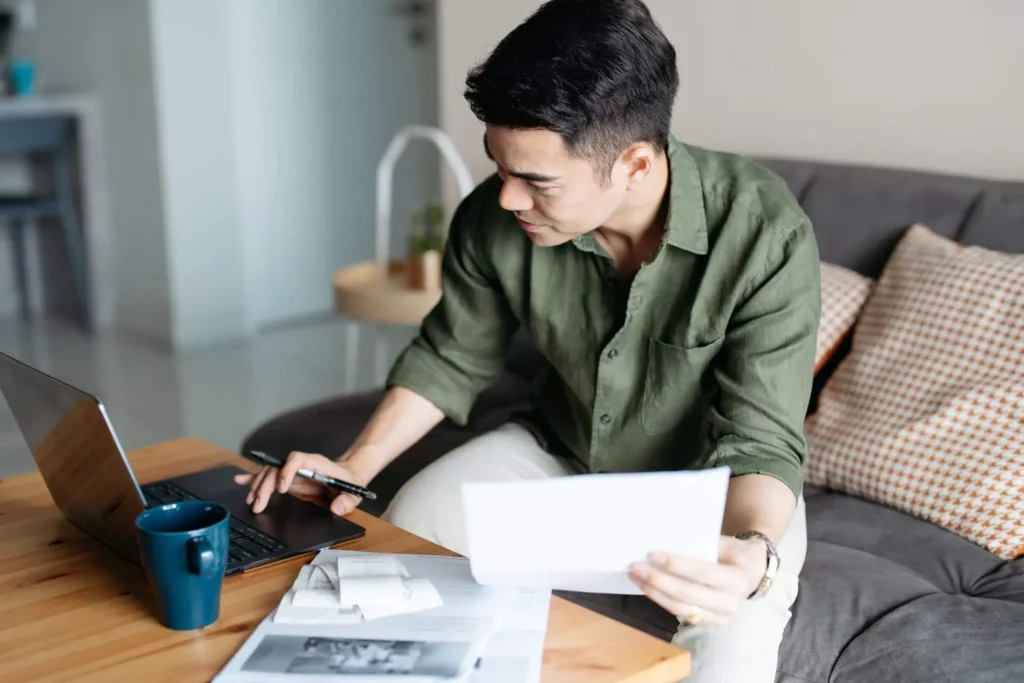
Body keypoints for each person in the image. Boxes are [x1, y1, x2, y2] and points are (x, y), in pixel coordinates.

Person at [236, 0, 819, 680]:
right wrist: (356, 464)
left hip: (710, 484)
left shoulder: (764, 231)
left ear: (633, 164)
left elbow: (761, 436)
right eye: (501, 168)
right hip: (558, 447)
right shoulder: (494, 216)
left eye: (537, 181)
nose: (508, 198)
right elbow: (452, 353)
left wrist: (753, 551)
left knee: (732, 643)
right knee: (396, 550)